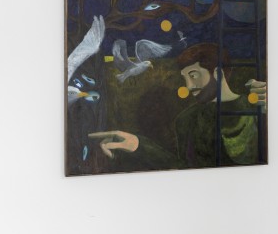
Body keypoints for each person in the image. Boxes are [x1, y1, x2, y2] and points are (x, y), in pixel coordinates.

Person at [90, 43, 267, 168]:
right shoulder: (186, 120)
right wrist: (138, 144)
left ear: (218, 74)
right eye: (185, 78)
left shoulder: (258, 108)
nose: (189, 86)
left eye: (194, 75)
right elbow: (182, 167)